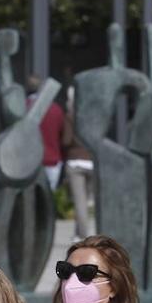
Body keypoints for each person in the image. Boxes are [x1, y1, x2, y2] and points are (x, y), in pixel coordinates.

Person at [61, 95, 95, 242]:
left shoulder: (70, 116)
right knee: (86, 200)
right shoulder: (91, 116)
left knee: (79, 202)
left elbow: (66, 139)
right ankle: (78, 231)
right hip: (92, 162)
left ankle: (82, 235)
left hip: (76, 161)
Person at [30, 77, 66, 189]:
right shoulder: (56, 110)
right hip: (52, 160)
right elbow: (63, 136)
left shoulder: (26, 107)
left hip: (31, 161)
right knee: (50, 198)